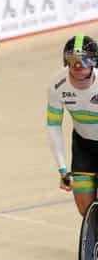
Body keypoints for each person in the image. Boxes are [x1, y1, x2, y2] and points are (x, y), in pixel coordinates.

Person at [47, 35, 98, 216]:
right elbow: (53, 125)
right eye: (72, 60)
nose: (77, 66)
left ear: (93, 63)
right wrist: (62, 168)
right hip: (83, 146)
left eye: (83, 61)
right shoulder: (57, 85)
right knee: (86, 212)